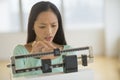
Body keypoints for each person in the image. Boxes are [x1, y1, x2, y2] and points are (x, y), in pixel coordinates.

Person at [13, 1, 74, 77]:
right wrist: (34, 57)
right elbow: (20, 78)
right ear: (32, 25)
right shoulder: (20, 51)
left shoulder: (68, 51)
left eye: (53, 25)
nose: (49, 32)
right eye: (42, 26)